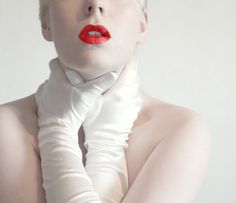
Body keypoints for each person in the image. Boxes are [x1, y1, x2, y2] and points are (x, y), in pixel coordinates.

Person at [0, 0, 212, 202]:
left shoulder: (180, 129)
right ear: (46, 22)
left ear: (142, 24)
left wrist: (93, 139)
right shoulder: (6, 126)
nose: (95, 4)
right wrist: (58, 129)